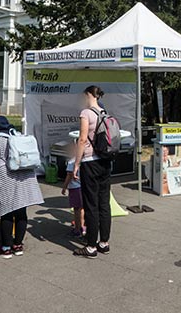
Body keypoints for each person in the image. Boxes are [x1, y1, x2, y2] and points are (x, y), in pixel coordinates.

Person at [0, 115, 44, 258]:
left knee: (6, 213)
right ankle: (18, 245)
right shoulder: (17, 136)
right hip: (24, 177)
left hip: (6, 177)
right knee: (21, 212)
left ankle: (6, 248)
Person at [73, 85, 113, 259]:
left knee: (91, 204)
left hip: (90, 162)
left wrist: (76, 163)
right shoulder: (105, 112)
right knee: (104, 202)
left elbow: (82, 139)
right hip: (105, 161)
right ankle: (104, 242)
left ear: (88, 95)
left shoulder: (86, 113)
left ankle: (90, 246)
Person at [62, 142, 85, 237]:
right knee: (82, 208)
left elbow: (69, 176)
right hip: (84, 187)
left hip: (75, 188)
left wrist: (64, 187)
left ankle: (77, 229)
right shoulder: (85, 160)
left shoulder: (72, 161)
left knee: (76, 209)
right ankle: (83, 226)